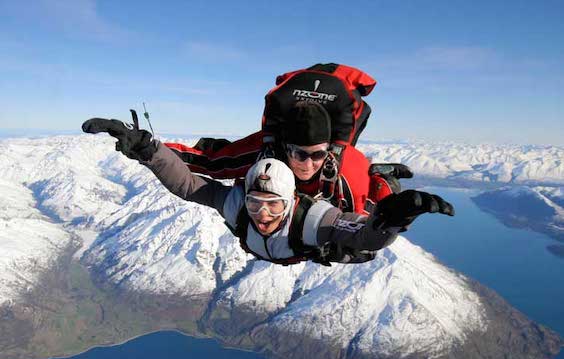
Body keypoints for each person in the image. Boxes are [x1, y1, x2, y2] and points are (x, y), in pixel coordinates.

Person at [81, 112, 455, 265]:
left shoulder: (314, 220)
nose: (262, 214)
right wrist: (150, 151)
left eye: (273, 206)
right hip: (290, 248)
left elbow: (362, 236)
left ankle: (381, 180)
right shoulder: (236, 204)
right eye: (257, 202)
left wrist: (390, 221)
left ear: (291, 200)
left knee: (356, 253)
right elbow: (189, 184)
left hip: (314, 247)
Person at [164, 101, 413, 216]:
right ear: (285, 147)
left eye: (317, 155)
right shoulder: (263, 153)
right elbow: (211, 162)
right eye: (299, 154)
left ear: (329, 151)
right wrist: (150, 148)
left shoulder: (348, 169)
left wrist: (389, 200)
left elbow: (367, 225)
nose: (307, 164)